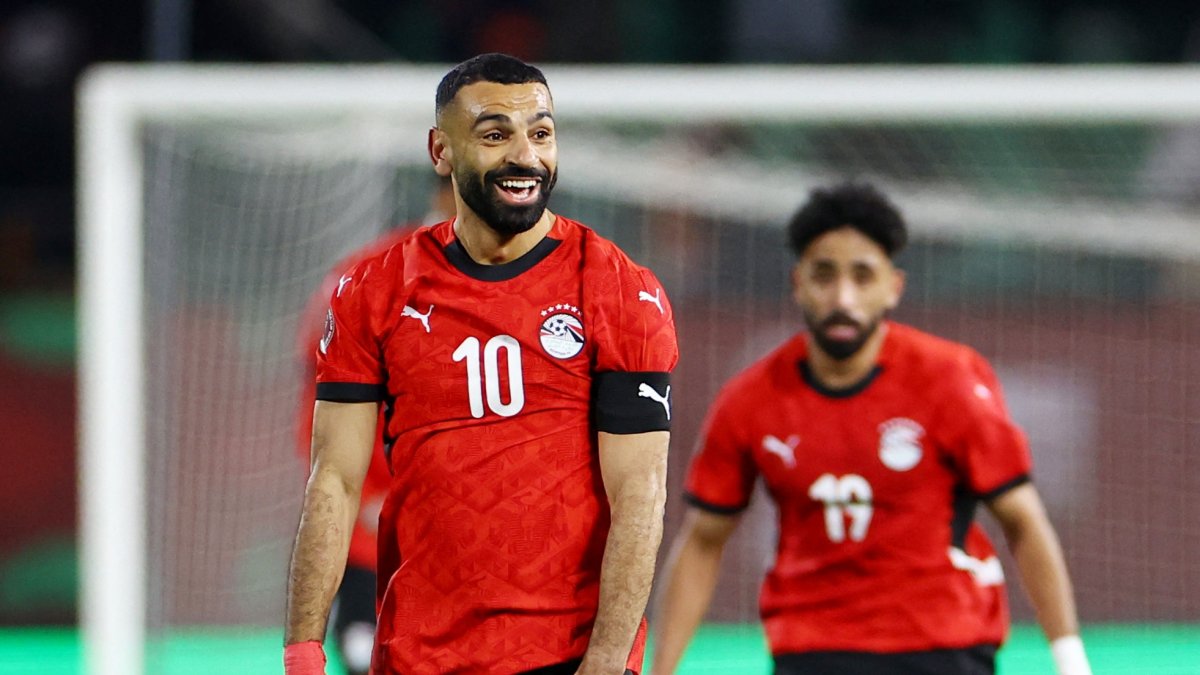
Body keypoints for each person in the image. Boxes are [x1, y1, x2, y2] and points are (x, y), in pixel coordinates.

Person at [284, 53, 678, 675]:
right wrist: (304, 647)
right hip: (417, 652)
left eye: (540, 133)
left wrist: (607, 659)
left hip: (568, 654)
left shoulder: (619, 290)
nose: (524, 155)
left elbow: (640, 494)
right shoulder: (372, 289)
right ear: (441, 151)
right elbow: (333, 477)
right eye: (496, 135)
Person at [650, 182, 1092, 675]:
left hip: (943, 645)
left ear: (893, 287)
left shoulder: (951, 380)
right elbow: (703, 541)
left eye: (863, 276)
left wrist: (1071, 661)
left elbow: (1024, 521)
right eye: (824, 275)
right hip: (813, 652)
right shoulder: (749, 399)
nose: (843, 297)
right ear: (798, 283)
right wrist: (661, 670)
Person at [293, 177, 455, 675]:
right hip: (378, 545)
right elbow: (322, 400)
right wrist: (368, 500)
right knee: (369, 655)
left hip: (492, 547)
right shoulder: (370, 277)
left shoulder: (549, 283)